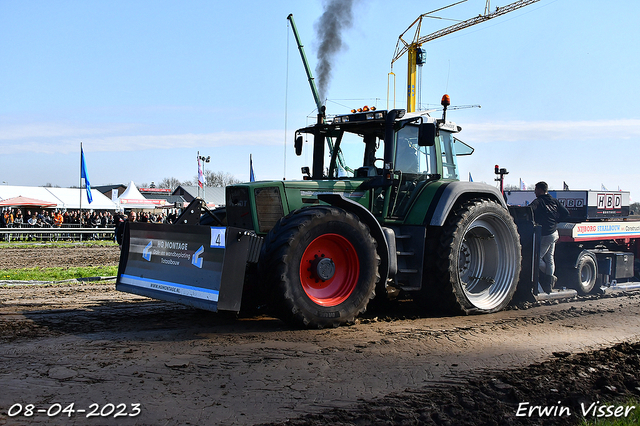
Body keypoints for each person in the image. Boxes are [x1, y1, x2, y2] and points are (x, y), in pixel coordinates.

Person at [529, 181, 570, 293]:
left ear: (541, 190)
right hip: (554, 233)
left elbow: (529, 210)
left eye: (536, 189)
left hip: (545, 234)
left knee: (536, 259)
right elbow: (566, 213)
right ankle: (549, 282)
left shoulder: (539, 201)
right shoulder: (554, 201)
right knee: (549, 259)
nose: (535, 192)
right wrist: (556, 220)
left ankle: (550, 278)